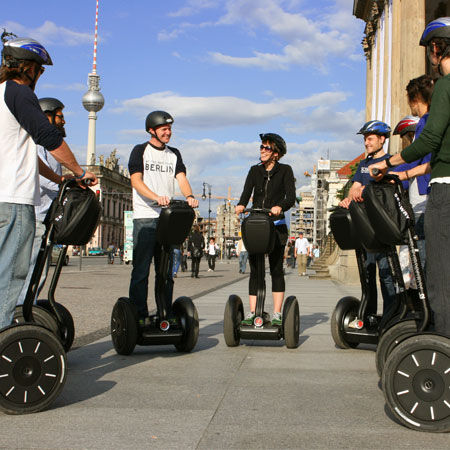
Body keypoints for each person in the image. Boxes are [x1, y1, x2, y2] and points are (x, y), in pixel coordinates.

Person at [0, 36, 97, 329]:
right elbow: (49, 137)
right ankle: (5, 335)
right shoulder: (19, 92)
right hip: (14, 199)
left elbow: (25, 152)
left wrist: (59, 177)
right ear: (28, 68)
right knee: (12, 274)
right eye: (39, 70)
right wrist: (80, 172)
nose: (39, 76)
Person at [370, 17, 450, 334]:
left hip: (443, 191)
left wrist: (390, 163)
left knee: (438, 277)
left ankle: (440, 348)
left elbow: (431, 142)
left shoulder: (445, 85)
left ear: (435, 48)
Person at [128, 110, 198, 327]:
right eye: (164, 129)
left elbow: (181, 178)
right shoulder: (140, 151)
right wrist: (155, 197)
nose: (168, 133)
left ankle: (165, 312)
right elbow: (136, 181)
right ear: (152, 130)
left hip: (168, 219)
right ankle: (139, 315)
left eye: (170, 129)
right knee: (141, 271)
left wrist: (189, 196)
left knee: (166, 271)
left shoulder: (174, 154)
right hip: (146, 217)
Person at [339, 120, 396, 324]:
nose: (366, 143)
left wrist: (368, 190)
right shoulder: (364, 164)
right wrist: (349, 197)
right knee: (367, 273)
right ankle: (370, 315)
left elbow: (391, 189)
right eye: (365, 139)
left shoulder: (390, 162)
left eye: (370, 138)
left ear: (382, 139)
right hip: (364, 226)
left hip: (382, 226)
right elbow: (355, 188)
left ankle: (391, 317)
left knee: (386, 274)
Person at [236, 133, 295, 326]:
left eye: (267, 148)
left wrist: (280, 207)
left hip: (276, 227)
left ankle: (277, 313)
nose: (262, 150)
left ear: (276, 153)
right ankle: (253, 312)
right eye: (261, 147)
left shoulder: (285, 170)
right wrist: (240, 204)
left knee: (276, 270)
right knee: (256, 271)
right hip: (258, 226)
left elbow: (290, 197)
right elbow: (246, 193)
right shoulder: (254, 171)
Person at [16, 97, 68, 305]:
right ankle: (20, 315)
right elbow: (41, 174)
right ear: (47, 116)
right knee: (28, 271)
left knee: (40, 273)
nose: (63, 122)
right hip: (34, 216)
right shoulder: (36, 143)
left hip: (47, 217)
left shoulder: (51, 145)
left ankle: (30, 308)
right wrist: (65, 184)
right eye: (60, 117)